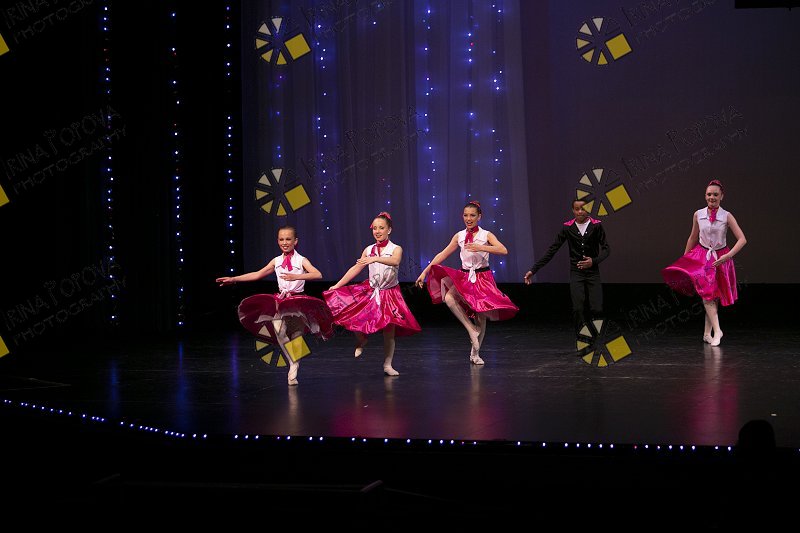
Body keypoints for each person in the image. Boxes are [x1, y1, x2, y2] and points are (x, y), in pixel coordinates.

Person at [216, 225, 334, 386]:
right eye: (281, 239)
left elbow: (317, 274)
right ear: (278, 241)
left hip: (298, 301)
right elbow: (258, 274)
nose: (285, 242)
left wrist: (296, 276)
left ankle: (294, 367)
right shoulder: (276, 261)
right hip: (282, 301)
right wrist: (233, 279)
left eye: (288, 239)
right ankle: (293, 363)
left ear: (295, 241)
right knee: (279, 330)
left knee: (297, 335)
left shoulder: (301, 260)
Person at [415, 201, 518, 365]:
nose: (468, 219)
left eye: (472, 215)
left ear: (479, 217)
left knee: (480, 315)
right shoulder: (460, 236)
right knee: (449, 298)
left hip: (482, 278)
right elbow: (442, 254)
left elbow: (503, 250)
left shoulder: (486, 235)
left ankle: (475, 353)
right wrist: (424, 272)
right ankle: (471, 329)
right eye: (466, 215)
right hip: (465, 276)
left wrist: (482, 247)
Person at [323, 212, 421, 376]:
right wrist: (338, 285)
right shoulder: (368, 250)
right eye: (375, 228)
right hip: (371, 290)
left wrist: (375, 259)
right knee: (351, 313)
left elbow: (395, 261)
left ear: (389, 230)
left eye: (381, 228)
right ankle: (361, 339)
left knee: (389, 331)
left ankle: (387, 364)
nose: (377, 231)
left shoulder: (395, 248)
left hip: (390, 294)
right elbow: (356, 268)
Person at [662, 179, 746, 346]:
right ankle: (717, 331)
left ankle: (708, 333)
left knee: (713, 297)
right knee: (708, 295)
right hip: (702, 257)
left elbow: (742, 239)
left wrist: (728, 256)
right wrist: (685, 259)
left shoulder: (726, 216)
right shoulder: (698, 214)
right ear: (705, 196)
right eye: (709, 194)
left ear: (721, 196)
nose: (711, 197)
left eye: (715, 194)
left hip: (720, 258)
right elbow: (693, 237)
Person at [523, 199, 610, 338]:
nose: (580, 211)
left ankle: (596, 337)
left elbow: (606, 249)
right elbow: (552, 250)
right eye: (577, 209)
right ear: (573, 210)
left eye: (583, 208)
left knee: (597, 309)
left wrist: (593, 261)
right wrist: (533, 270)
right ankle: (583, 339)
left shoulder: (596, 225)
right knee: (578, 309)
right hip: (577, 273)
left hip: (593, 272)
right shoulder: (568, 228)